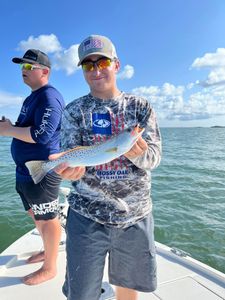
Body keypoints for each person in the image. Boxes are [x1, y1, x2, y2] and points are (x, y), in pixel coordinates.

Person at [53, 35, 162, 300]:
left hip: (135, 215)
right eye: (88, 65)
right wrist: (67, 171)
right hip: (86, 216)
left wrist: (139, 155)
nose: (96, 70)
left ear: (116, 65)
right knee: (81, 293)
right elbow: (73, 155)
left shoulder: (140, 108)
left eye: (102, 61)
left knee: (128, 289)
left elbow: (155, 157)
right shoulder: (73, 111)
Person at [0, 49, 65, 285]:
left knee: (48, 218)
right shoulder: (31, 97)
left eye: (29, 67)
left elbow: (42, 134)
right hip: (24, 170)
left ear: (45, 72)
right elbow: (27, 127)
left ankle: (50, 267)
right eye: (22, 67)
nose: (23, 71)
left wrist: (7, 131)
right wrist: (11, 126)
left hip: (43, 171)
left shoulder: (49, 97)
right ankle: (48, 251)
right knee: (34, 213)